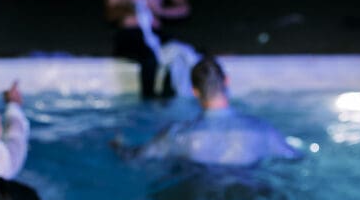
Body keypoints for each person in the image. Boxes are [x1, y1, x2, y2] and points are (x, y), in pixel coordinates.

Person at [124, 56, 300, 167]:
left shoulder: (177, 135)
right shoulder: (262, 130)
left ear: (194, 91)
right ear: (227, 81)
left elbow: (134, 157)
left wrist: (117, 145)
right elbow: (295, 158)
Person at [106, 0, 192, 100]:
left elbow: (184, 8)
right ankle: (148, 102)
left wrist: (160, 11)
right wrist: (131, 8)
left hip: (155, 30)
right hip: (130, 31)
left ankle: (169, 102)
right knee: (149, 58)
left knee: (179, 55)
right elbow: (110, 13)